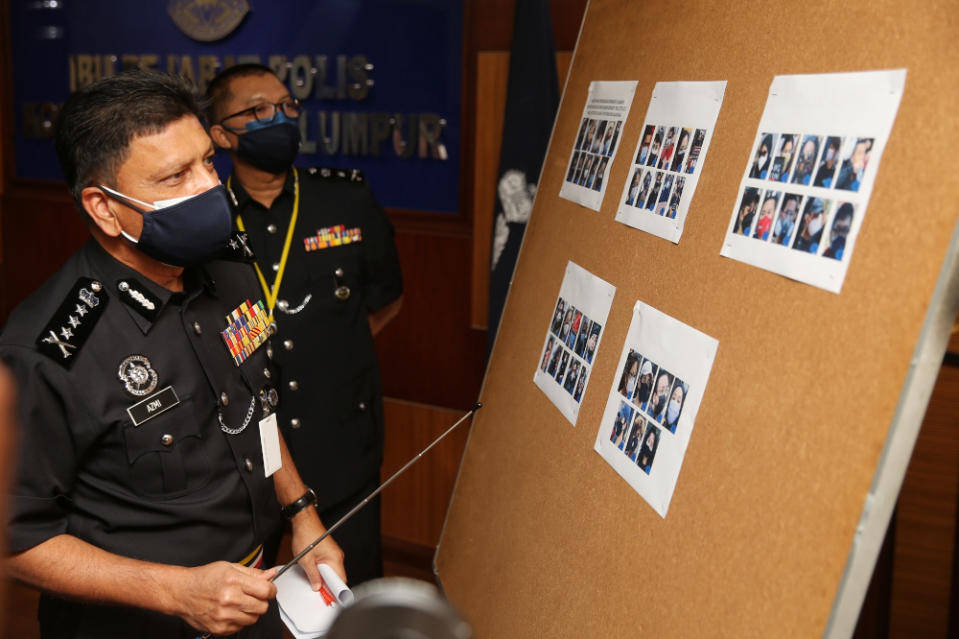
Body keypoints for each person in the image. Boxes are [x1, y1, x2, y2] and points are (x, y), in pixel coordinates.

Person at [0, 71, 345, 638]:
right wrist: (174, 591)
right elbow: (18, 539)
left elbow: (256, 406)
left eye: (208, 162)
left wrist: (302, 514)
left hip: (256, 597)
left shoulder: (231, 269)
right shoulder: (45, 351)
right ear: (104, 208)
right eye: (175, 176)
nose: (210, 187)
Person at [206, 64, 403, 586]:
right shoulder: (206, 219)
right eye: (258, 110)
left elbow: (386, 302)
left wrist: (328, 352)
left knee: (344, 597)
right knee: (252, 603)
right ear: (221, 135)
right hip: (243, 460)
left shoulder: (346, 198)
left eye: (287, 105)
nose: (280, 118)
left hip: (340, 445)